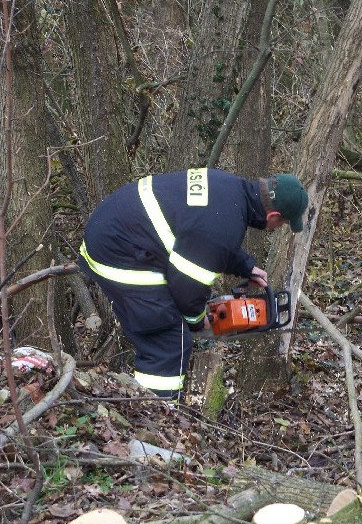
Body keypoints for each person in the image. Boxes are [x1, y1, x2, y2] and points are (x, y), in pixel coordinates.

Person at [78, 168, 308, 399]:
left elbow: (203, 237)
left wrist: (246, 266)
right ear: (273, 216)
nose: (277, 227)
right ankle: (154, 412)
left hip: (115, 229)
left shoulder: (228, 187)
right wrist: (197, 321)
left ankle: (148, 405)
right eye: (282, 223)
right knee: (168, 342)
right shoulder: (224, 225)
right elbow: (187, 287)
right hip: (117, 250)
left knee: (168, 329)